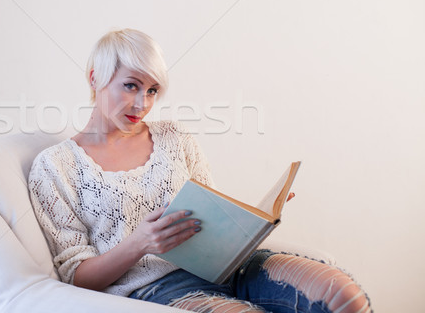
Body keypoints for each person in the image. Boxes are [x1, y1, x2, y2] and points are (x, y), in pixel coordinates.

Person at [28, 28, 371, 313]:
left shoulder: (174, 137)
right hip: (156, 289)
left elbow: (210, 213)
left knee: (343, 296)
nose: (141, 104)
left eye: (152, 91)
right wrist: (139, 244)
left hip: (229, 267)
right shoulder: (56, 166)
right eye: (131, 85)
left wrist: (255, 219)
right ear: (95, 77)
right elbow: (76, 278)